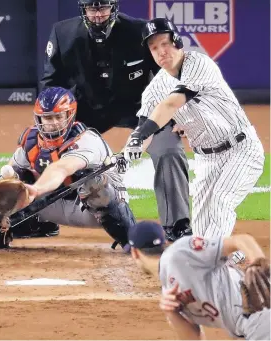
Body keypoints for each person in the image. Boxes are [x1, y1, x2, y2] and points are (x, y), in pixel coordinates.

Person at [40, 0, 192, 241]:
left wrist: (181, 116)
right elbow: (50, 83)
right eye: (92, 8)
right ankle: (43, 218)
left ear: (114, 7)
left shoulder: (140, 31)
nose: (98, 14)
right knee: (49, 145)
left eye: (104, 7)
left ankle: (177, 225)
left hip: (139, 106)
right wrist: (52, 123)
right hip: (87, 109)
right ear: (83, 10)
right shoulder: (63, 34)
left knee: (168, 149)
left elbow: (170, 75)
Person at [124, 18, 265, 239]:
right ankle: (227, 256)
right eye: (154, 48)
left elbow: (171, 104)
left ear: (177, 41)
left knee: (220, 201)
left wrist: (139, 135)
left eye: (164, 44)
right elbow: (144, 129)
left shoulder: (199, 63)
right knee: (200, 232)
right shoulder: (154, 89)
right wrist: (129, 151)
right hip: (206, 161)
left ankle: (217, 263)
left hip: (241, 150)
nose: (161, 52)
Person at [0, 87, 135, 252]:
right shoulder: (31, 141)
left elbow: (62, 168)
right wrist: (10, 187)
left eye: (60, 117)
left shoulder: (86, 141)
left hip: (94, 210)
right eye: (48, 118)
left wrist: (37, 189)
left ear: (70, 116)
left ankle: (132, 240)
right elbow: (12, 171)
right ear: (39, 118)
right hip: (51, 205)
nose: (54, 123)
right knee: (9, 185)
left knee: (94, 184)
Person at [128, 221, 270, 340]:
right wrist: (172, 313)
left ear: (134, 253)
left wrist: (260, 266)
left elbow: (241, 240)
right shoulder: (169, 292)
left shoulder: (180, 252)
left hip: (262, 317)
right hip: (250, 329)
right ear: (164, 242)